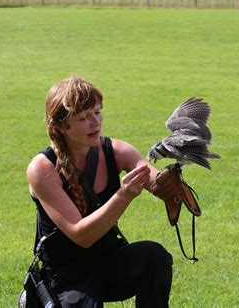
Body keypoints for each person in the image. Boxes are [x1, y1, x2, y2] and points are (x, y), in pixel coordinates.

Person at [26, 75, 173, 307]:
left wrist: (172, 179)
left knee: (154, 257)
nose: (95, 122)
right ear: (61, 126)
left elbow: (159, 184)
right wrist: (124, 195)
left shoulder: (115, 150)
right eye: (84, 117)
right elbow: (81, 235)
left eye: (97, 112)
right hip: (68, 276)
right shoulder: (42, 169)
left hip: (109, 262)